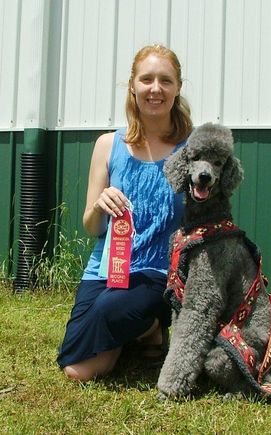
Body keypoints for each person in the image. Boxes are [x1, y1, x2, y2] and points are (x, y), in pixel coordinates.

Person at [57, 44, 193, 381]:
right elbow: (91, 227)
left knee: (109, 310)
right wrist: (100, 203)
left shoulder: (192, 148)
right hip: (106, 269)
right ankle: (139, 334)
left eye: (166, 80)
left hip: (157, 274)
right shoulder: (107, 145)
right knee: (76, 369)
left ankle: (148, 326)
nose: (155, 89)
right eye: (146, 79)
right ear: (132, 85)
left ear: (177, 88)